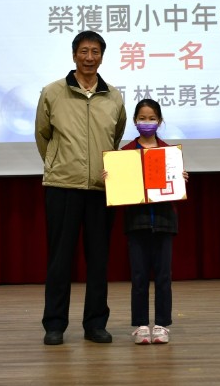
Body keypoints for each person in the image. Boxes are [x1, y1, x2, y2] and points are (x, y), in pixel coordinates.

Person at [34, 31, 127, 346]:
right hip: (62, 186)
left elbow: (115, 137)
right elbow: (43, 135)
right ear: (74, 55)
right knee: (60, 260)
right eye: (84, 51)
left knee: (99, 260)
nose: (90, 58)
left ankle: (95, 324)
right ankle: (54, 324)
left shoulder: (114, 96)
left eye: (95, 52)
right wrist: (59, 164)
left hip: (101, 188)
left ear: (102, 56)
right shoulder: (53, 92)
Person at [119, 98, 188, 345]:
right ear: (135, 121)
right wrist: (111, 177)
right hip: (136, 221)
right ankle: (140, 325)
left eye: (151, 118)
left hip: (164, 221)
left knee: (163, 276)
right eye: (142, 118)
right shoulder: (125, 153)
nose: (146, 122)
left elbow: (173, 188)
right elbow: (121, 189)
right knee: (138, 276)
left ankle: (161, 325)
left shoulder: (169, 153)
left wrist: (180, 179)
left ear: (159, 121)